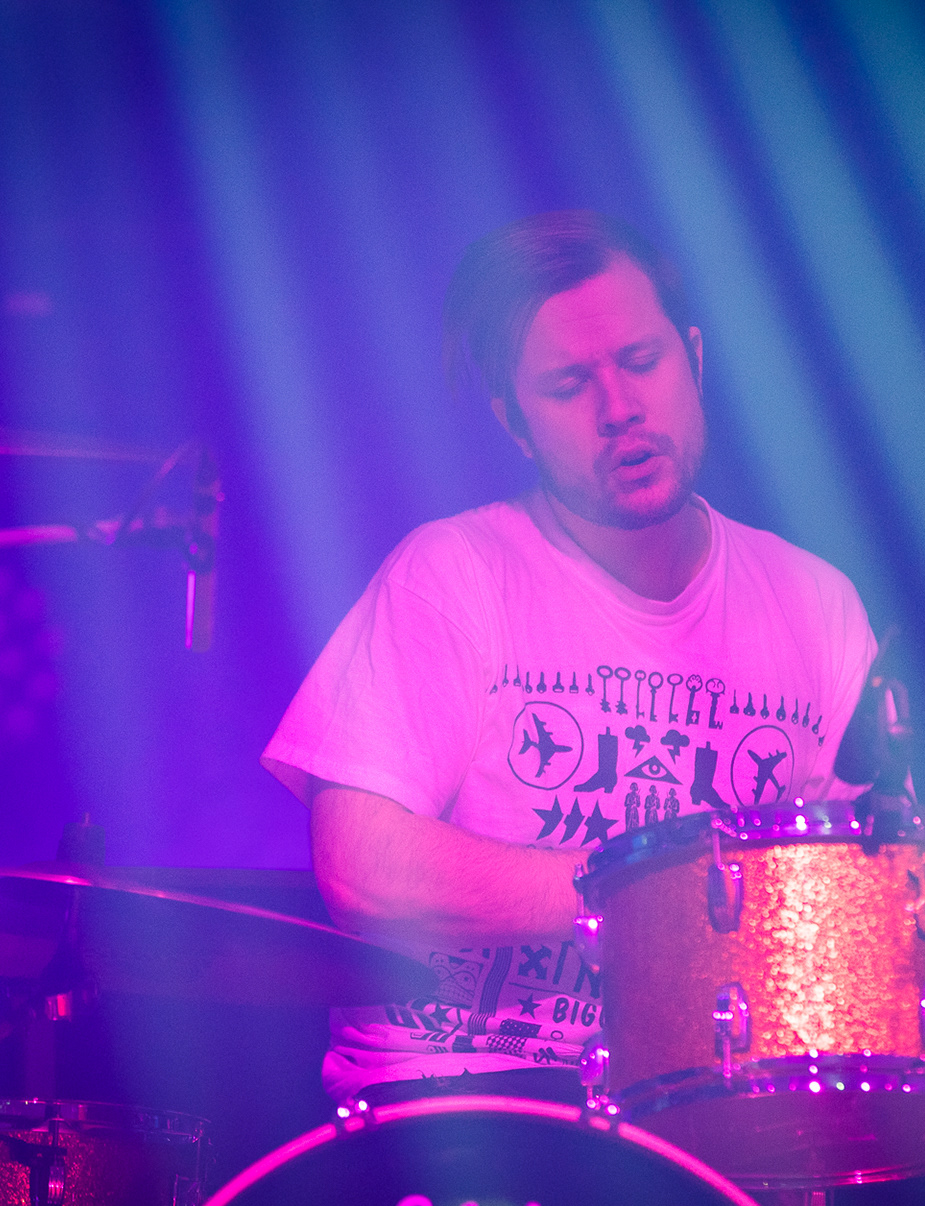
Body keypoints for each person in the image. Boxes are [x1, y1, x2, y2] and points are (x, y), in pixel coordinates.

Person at [262, 210, 878, 1104]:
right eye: (567, 385)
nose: (619, 408)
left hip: (699, 1112)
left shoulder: (816, 604)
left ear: (694, 359)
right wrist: (647, 890)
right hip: (461, 1098)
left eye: (642, 361)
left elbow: (841, 919)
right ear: (515, 424)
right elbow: (362, 865)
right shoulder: (452, 574)